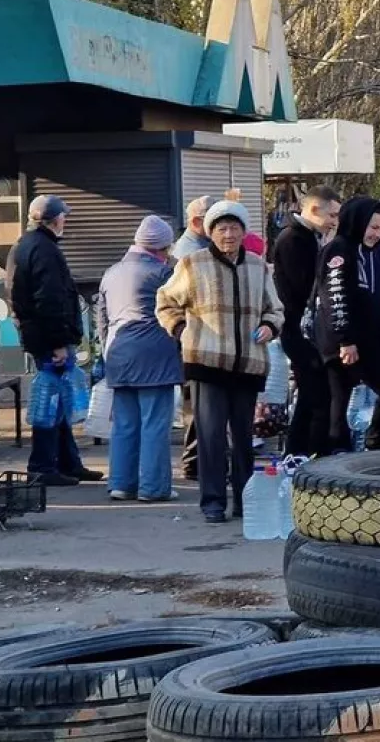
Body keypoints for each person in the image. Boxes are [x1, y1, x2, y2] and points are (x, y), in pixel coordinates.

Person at [156, 201, 283, 523]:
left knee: (244, 437)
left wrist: (269, 325)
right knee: (210, 436)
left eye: (234, 228)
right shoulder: (192, 264)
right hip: (206, 362)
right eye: (221, 229)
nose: (228, 235)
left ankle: (244, 499)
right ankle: (212, 501)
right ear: (211, 232)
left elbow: (275, 307)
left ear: (244, 231)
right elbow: (165, 301)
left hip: (248, 363)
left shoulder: (257, 266)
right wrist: (181, 329)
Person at [5, 195, 103, 487]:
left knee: (58, 403)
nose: (66, 221)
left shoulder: (23, 246)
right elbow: (49, 299)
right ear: (56, 219)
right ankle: (43, 465)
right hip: (50, 340)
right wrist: (59, 342)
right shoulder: (45, 250)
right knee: (51, 404)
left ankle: (68, 462)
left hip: (38, 336)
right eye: (64, 216)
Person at [97, 216, 182, 502]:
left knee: (124, 423)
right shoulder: (164, 274)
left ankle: (121, 483)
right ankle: (154, 488)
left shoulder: (111, 273)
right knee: (155, 423)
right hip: (155, 356)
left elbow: (102, 321)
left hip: (118, 355)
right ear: (163, 248)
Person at [316, 197, 380, 451]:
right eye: (372, 227)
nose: (377, 235)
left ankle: (346, 448)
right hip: (344, 343)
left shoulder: (355, 252)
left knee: (342, 399)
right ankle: (364, 443)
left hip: (356, 340)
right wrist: (346, 339)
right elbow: (335, 295)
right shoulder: (340, 249)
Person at [270, 185, 342, 458]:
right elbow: (306, 287)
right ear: (313, 209)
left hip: (306, 329)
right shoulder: (293, 239)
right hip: (299, 330)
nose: (335, 221)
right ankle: (310, 455)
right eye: (332, 215)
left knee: (311, 399)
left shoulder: (309, 237)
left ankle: (297, 453)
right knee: (318, 397)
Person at [172, 195, 216, 481]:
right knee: (196, 403)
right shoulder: (188, 253)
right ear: (198, 222)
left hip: (205, 339)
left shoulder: (201, 247)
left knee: (201, 404)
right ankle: (195, 462)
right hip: (197, 339)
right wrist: (182, 330)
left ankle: (200, 459)